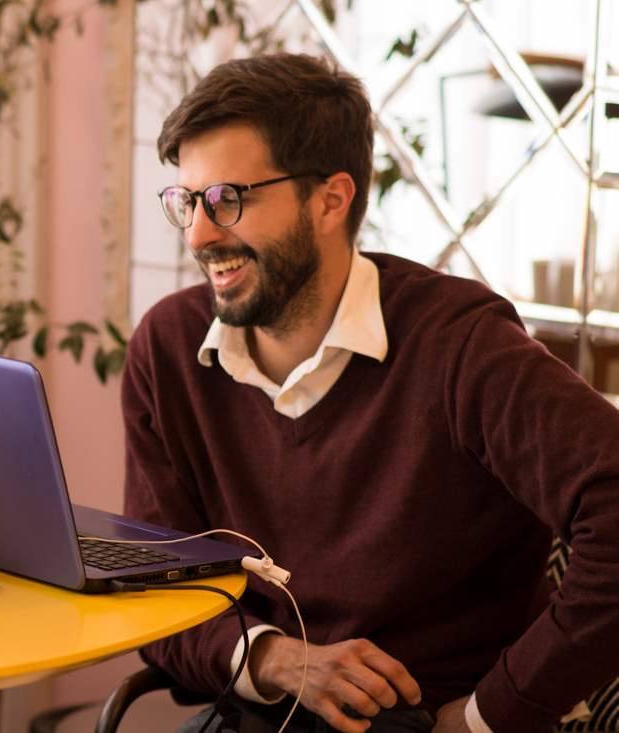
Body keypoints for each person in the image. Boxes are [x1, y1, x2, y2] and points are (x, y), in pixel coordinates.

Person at [122, 53, 619, 733]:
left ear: (331, 199)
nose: (200, 235)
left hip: (427, 716)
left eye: (228, 199)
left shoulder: (461, 345)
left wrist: (489, 715)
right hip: (264, 710)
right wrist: (271, 657)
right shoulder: (167, 349)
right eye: (187, 202)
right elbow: (153, 586)